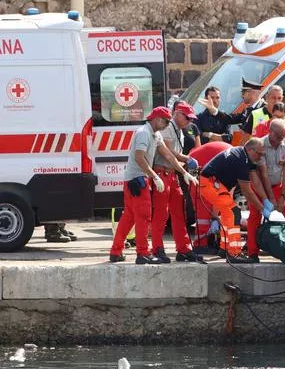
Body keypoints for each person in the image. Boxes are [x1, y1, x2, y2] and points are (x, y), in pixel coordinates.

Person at [109, 107, 198, 264]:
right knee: (144, 217)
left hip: (134, 180)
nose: (166, 125)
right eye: (165, 121)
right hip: (138, 180)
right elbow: (139, 158)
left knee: (129, 218)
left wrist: (184, 173)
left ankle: (116, 251)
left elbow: (168, 155)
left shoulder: (155, 134)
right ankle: (142, 253)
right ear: (157, 119)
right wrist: (155, 176)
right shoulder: (144, 132)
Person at [199, 138, 274, 263]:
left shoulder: (244, 156)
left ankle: (224, 248)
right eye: (259, 154)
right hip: (211, 183)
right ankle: (234, 253)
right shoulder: (241, 161)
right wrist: (262, 209)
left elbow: (255, 181)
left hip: (212, 183)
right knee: (234, 213)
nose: (261, 157)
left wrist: (265, 200)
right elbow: (247, 191)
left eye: (263, 154)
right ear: (250, 150)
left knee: (227, 214)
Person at [246, 120, 285, 261]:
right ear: (270, 132)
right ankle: (252, 252)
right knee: (254, 217)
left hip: (279, 185)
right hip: (260, 187)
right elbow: (264, 174)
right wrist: (270, 199)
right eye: (278, 136)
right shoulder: (259, 145)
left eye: (283, 136)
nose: (281, 140)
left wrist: (283, 196)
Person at [149, 102, 201, 263]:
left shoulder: (180, 130)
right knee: (161, 214)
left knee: (179, 212)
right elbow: (168, 153)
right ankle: (157, 248)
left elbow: (174, 155)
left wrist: (186, 165)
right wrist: (187, 161)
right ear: (177, 114)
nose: (189, 121)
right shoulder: (167, 127)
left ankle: (184, 249)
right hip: (162, 173)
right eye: (187, 117)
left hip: (171, 175)